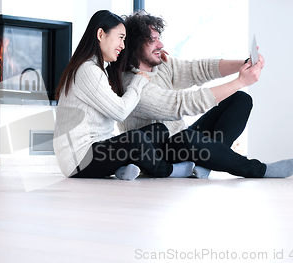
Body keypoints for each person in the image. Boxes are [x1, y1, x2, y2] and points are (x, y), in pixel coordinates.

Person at [117, 11, 293, 179]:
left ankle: (205, 164)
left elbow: (198, 69)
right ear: (134, 45)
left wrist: (245, 64)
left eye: (159, 38)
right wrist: (240, 81)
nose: (161, 44)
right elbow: (181, 104)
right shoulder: (131, 85)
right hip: (158, 152)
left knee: (240, 99)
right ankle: (258, 169)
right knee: (186, 139)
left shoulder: (160, 66)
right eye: (153, 40)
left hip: (180, 139)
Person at [53, 10, 195, 181]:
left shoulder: (97, 69)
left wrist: (155, 60)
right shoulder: (87, 70)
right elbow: (120, 112)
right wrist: (138, 81)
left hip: (96, 150)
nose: (122, 45)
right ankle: (168, 170)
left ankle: (122, 169)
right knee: (135, 139)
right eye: (120, 37)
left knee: (159, 130)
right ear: (100, 34)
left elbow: (123, 67)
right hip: (80, 159)